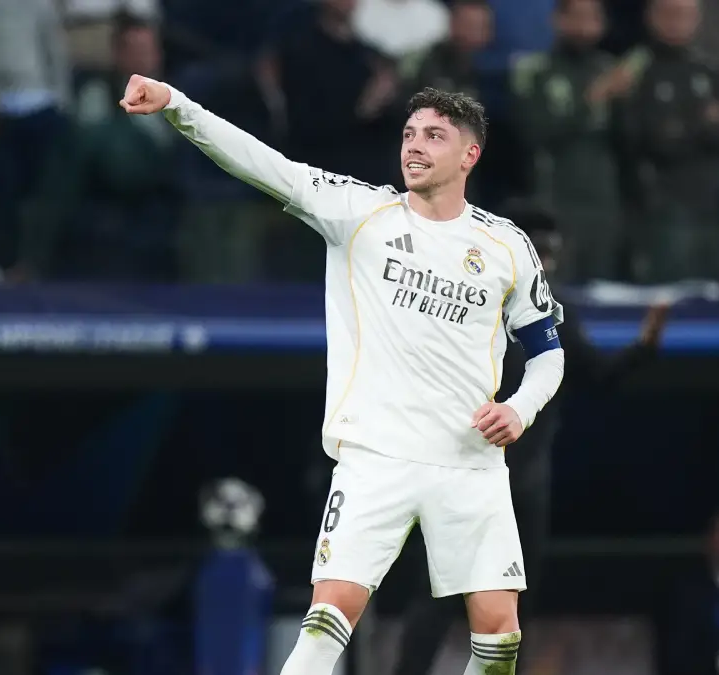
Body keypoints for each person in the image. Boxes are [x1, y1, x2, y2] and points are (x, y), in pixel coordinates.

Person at [120, 77, 566, 675]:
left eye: (434, 136)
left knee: (498, 629)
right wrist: (178, 106)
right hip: (376, 454)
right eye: (409, 133)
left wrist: (518, 408)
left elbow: (547, 354)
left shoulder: (506, 245)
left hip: (470, 461)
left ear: (470, 155)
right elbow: (263, 164)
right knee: (330, 613)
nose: (415, 145)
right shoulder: (359, 212)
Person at [393, 202, 668, 675]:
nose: (546, 262)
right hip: (464, 474)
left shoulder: (554, 315)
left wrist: (645, 346)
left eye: (552, 253)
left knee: (514, 602)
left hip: (525, 485)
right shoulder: (461, 303)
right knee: (440, 591)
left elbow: (597, 376)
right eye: (538, 250)